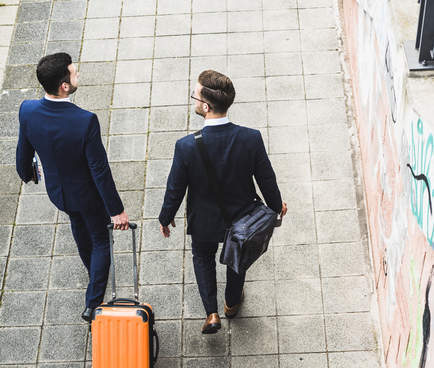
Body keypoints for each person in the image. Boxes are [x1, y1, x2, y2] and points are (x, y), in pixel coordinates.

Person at [159, 69, 287, 334]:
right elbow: (266, 179)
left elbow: (175, 188)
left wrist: (166, 216)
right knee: (237, 258)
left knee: (202, 256)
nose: (193, 100)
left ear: (206, 106)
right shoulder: (250, 138)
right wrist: (276, 206)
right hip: (242, 217)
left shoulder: (186, 146)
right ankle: (231, 303)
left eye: (194, 96)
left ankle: (212, 313)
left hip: (204, 220)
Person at [16, 52, 128, 323]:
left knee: (79, 228)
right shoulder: (84, 121)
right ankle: (93, 303)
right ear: (64, 85)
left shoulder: (27, 110)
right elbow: (99, 170)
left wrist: (26, 174)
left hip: (58, 193)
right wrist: (116, 210)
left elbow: (23, 152)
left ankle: (94, 276)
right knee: (102, 240)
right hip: (87, 196)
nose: (78, 74)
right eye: (74, 72)